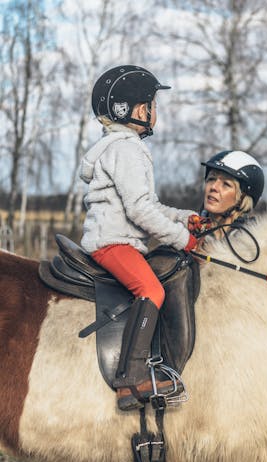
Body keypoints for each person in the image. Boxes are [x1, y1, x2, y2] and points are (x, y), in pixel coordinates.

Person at [79, 65, 198, 411]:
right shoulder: (127, 150)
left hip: (118, 238)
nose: (155, 112)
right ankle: (130, 379)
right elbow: (140, 212)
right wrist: (183, 239)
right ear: (137, 110)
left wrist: (183, 218)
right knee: (152, 290)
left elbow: (150, 204)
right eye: (153, 104)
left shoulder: (120, 147)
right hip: (113, 243)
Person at [188, 150, 264, 241]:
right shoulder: (183, 231)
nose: (214, 187)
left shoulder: (256, 244)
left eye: (226, 184)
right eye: (211, 179)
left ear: (242, 198)